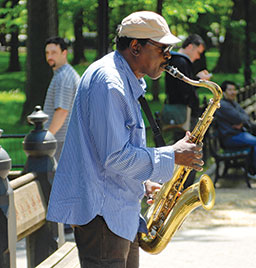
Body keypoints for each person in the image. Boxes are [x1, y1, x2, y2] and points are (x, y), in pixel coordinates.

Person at [46, 11, 204, 267]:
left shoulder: (121, 77)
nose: (168, 57)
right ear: (135, 47)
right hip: (103, 217)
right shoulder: (110, 83)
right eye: (163, 49)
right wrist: (172, 154)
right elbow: (114, 156)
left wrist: (142, 183)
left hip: (115, 213)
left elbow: (109, 153)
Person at [165, 34, 211, 189]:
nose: (198, 57)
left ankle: (179, 184)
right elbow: (184, 91)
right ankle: (182, 186)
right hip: (184, 113)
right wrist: (198, 82)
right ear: (190, 46)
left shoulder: (177, 61)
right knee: (190, 151)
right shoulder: (181, 61)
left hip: (180, 112)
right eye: (198, 52)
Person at [215, 80, 256, 182]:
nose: (233, 92)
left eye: (234, 89)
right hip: (230, 137)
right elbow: (240, 118)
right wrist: (242, 120)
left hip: (239, 134)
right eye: (230, 90)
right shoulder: (223, 105)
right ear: (223, 92)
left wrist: (242, 121)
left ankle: (253, 169)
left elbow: (245, 117)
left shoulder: (233, 103)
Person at [43, 36, 80, 162]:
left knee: (55, 179)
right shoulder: (66, 74)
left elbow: (62, 111)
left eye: (54, 52)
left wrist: (46, 139)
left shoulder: (63, 78)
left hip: (60, 140)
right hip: (64, 139)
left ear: (64, 53)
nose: (49, 57)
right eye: (47, 53)